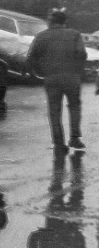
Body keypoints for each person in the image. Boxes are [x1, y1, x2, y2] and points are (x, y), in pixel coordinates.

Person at [26, 9, 87, 151]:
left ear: (50, 22)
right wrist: (77, 70)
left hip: (51, 77)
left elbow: (30, 58)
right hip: (72, 77)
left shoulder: (41, 36)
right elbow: (82, 54)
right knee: (74, 107)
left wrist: (40, 72)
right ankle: (75, 138)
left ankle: (59, 143)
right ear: (64, 22)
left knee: (54, 109)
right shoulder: (74, 34)